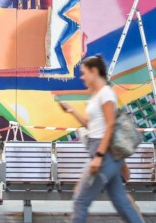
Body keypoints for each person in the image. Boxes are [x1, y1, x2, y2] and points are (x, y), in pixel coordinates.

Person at [59, 55, 144, 223]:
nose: (81, 77)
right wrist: (71, 111)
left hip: (103, 154)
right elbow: (91, 125)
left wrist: (98, 157)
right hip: (103, 153)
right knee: (121, 202)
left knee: (80, 201)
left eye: (83, 73)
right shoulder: (98, 95)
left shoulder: (106, 94)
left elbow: (110, 126)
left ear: (94, 71)